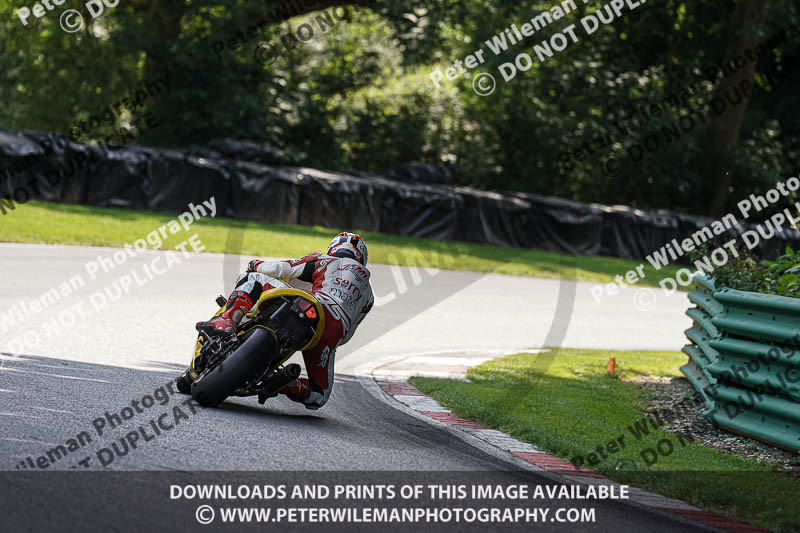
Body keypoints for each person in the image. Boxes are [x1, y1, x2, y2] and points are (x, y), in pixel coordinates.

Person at [195, 232, 374, 409]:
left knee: (254, 278)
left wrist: (256, 264)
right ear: (361, 258)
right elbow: (348, 333)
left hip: (314, 304)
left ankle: (226, 320)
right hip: (329, 335)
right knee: (319, 394)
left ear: (333, 248)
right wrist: (327, 344)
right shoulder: (369, 296)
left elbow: (284, 268)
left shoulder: (326, 260)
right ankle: (287, 383)